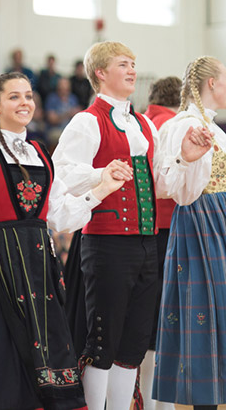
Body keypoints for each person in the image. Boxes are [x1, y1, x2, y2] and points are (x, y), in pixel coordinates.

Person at [0, 70, 130, 410]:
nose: (24, 103)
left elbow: (60, 215)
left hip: (37, 264)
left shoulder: (39, 152)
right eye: (14, 96)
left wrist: (101, 188)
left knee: (46, 348)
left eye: (28, 96)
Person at [52, 42, 210, 410]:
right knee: (103, 341)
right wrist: (100, 174)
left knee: (134, 343)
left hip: (146, 243)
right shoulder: (88, 121)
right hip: (106, 244)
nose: (133, 70)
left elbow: (161, 183)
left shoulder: (143, 125)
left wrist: (184, 159)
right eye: (124, 64)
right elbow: (62, 173)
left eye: (134, 64)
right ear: (101, 73)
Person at [153, 57, 226, 410]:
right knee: (204, 314)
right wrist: (184, 156)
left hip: (221, 221)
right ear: (211, 83)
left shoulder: (218, 130)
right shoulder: (180, 125)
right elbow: (166, 186)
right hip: (200, 223)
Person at [137, 77, 180, 410]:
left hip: (143, 229)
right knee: (161, 323)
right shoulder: (173, 124)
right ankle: (158, 403)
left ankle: (150, 402)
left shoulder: (143, 121)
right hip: (166, 229)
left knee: (147, 321)